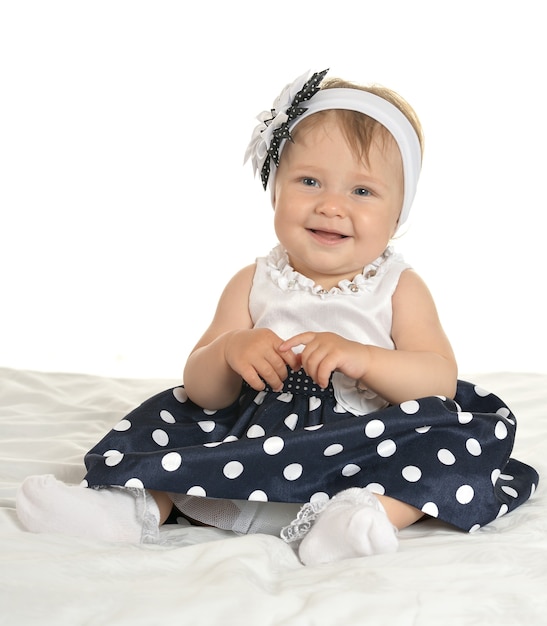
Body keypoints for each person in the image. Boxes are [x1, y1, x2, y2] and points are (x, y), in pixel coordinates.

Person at [16, 69, 538, 566]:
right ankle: (130, 509)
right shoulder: (254, 280)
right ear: (275, 189)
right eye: (310, 181)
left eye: (362, 191)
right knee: (170, 424)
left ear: (398, 214)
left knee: (455, 440)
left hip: (368, 438)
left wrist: (365, 359)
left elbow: (437, 378)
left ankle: (362, 517)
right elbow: (202, 389)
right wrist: (228, 351)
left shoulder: (398, 287)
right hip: (255, 433)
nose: (332, 205)